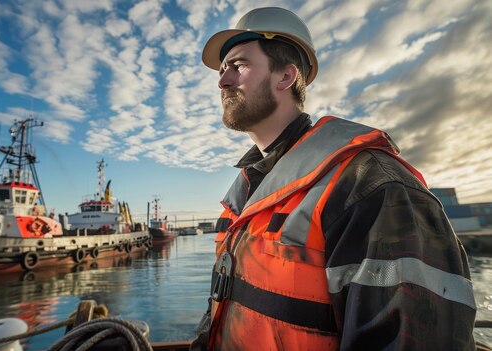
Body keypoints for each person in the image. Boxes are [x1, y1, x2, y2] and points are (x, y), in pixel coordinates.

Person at [191, 7, 476, 351]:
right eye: (223, 70)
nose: (222, 81)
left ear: (285, 77)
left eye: (239, 65)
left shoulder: (369, 185)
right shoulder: (243, 199)